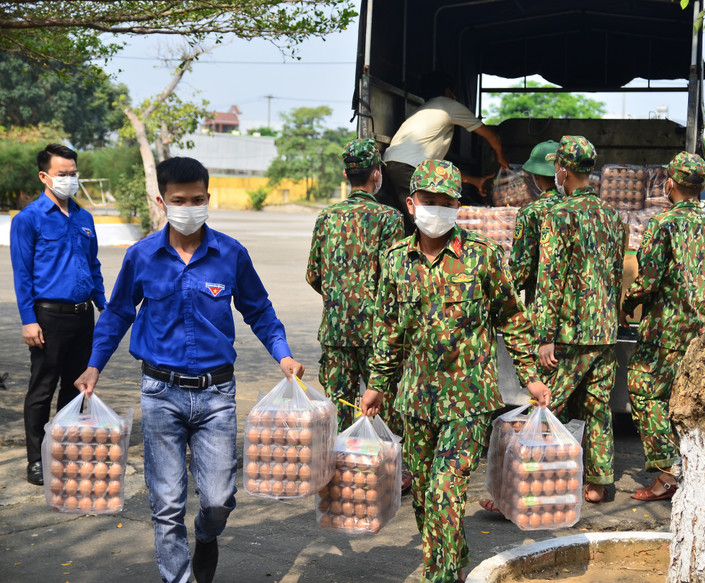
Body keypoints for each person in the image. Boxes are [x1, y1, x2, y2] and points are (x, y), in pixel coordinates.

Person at [73, 157, 305, 583]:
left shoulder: (231, 254)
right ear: (161, 201)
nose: (189, 207)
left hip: (217, 395)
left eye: (197, 199)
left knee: (218, 499)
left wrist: (283, 354)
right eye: (179, 200)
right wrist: (93, 366)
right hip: (160, 393)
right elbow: (117, 315)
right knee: (166, 502)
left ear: (208, 198)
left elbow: (260, 310)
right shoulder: (141, 256)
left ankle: (206, 534)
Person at [361, 159, 550, 583]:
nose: (437, 210)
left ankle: (441, 575)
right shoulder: (394, 261)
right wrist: (377, 384)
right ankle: (452, 556)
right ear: (411, 204)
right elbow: (388, 329)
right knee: (427, 496)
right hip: (415, 399)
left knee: (446, 490)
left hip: (468, 399)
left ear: (458, 207)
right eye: (429, 201)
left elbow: (513, 320)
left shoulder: (483, 258)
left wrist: (530, 376)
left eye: (446, 202)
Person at [306, 138, 411, 491]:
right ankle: (390, 470)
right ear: (377, 175)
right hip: (377, 334)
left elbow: (313, 275)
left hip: (336, 332)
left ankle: (339, 471)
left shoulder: (327, 218)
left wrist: (339, 300)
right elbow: (397, 278)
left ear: (347, 174)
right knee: (385, 401)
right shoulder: (390, 219)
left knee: (339, 402)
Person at [533, 135, 628, 504]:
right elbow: (617, 271)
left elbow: (550, 277)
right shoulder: (613, 216)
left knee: (547, 404)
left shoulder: (558, 215)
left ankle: (531, 478)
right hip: (605, 331)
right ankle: (599, 482)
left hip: (571, 332)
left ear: (562, 170)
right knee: (597, 407)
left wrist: (544, 335)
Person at [621, 151, 705, 502]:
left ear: (671, 184)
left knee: (645, 390)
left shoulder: (663, 224)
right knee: (690, 400)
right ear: (702, 187)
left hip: (667, 331)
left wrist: (627, 304)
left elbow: (647, 279)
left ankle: (667, 475)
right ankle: (696, 471)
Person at [10, 143, 106, 486]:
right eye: (62, 174)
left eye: (73, 174)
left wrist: (103, 304)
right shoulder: (28, 219)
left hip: (83, 317)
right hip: (47, 318)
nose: (69, 180)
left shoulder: (84, 217)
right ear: (44, 176)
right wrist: (28, 319)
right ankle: (36, 459)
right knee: (42, 389)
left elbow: (93, 265)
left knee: (76, 388)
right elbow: (22, 274)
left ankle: (63, 449)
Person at [382, 71, 509, 233]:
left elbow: (439, 174)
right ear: (449, 92)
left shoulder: (423, 112)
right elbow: (490, 134)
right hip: (409, 169)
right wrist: (500, 157)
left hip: (389, 164)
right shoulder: (449, 106)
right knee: (428, 225)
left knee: (405, 222)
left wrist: (475, 181)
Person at [508, 140, 563, 307]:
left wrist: (506, 297)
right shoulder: (578, 209)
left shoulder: (530, 212)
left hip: (543, 304)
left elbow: (521, 267)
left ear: (535, 176)